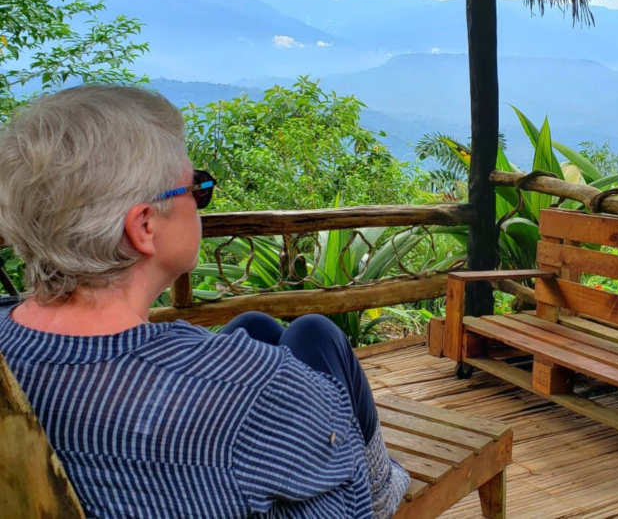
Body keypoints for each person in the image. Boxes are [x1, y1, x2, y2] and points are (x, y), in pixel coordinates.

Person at [0, 85, 408, 518]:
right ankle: (388, 481)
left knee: (255, 325)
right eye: (197, 188)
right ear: (144, 226)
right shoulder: (258, 390)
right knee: (317, 332)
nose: (201, 199)